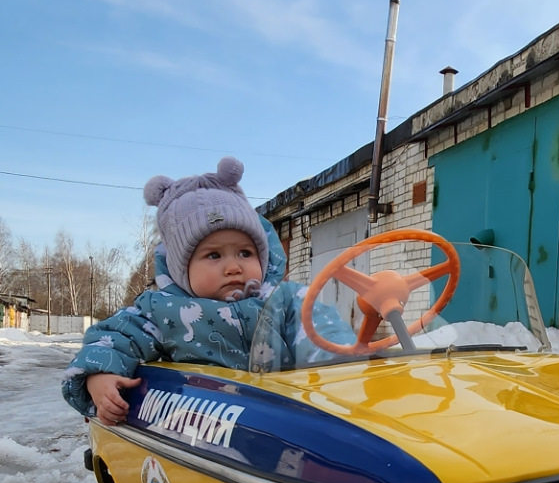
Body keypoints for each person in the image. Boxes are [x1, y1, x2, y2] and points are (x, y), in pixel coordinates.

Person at [62, 157, 349, 422]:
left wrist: (344, 373)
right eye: (214, 256)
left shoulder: (285, 300)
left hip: (282, 420)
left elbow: (322, 334)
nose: (234, 267)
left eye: (245, 253)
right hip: (202, 423)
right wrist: (98, 376)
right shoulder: (160, 310)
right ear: (180, 268)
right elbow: (115, 339)